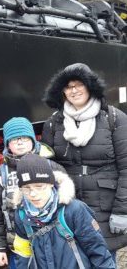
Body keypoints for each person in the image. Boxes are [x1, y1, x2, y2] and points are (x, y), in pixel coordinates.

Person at [41, 63, 127, 262]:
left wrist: (122, 212)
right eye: (68, 86)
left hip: (105, 207)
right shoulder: (53, 123)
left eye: (79, 84)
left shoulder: (115, 119)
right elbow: (47, 167)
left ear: (90, 87)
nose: (74, 90)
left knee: (104, 260)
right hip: (69, 204)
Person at [13, 153, 115, 269]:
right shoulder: (21, 216)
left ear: (50, 184)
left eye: (39, 186)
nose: (33, 194)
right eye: (26, 188)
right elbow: (23, 254)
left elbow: (98, 251)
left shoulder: (74, 210)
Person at [0, 117, 65, 268]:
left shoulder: (52, 167)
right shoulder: (0, 174)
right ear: (7, 144)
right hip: (18, 246)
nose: (20, 142)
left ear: (33, 140)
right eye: (14, 139)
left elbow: (66, 204)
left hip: (52, 241)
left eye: (24, 138)